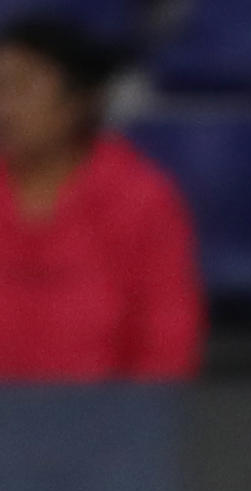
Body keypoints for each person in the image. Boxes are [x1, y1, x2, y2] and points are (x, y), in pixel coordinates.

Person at [0, 15, 204, 381]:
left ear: (79, 100)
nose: (4, 110)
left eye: (21, 89)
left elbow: (167, 338)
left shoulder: (140, 197)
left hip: (108, 422)